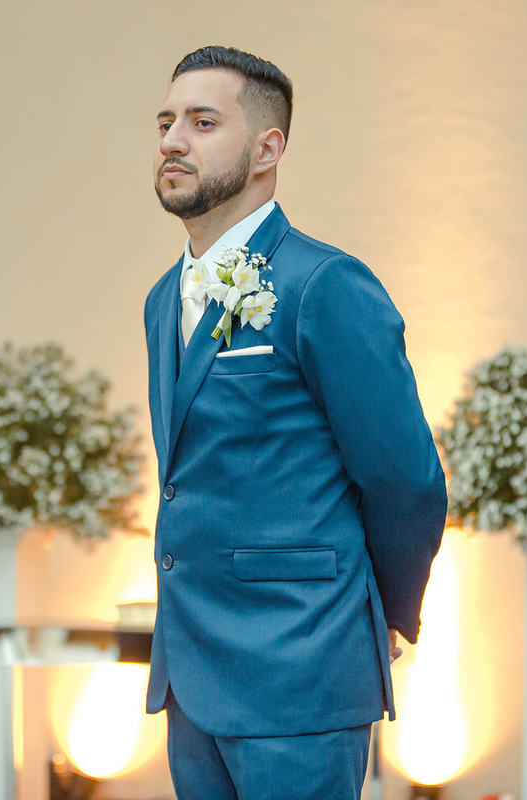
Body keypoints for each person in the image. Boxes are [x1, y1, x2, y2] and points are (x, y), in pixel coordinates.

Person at [143, 46, 449, 798]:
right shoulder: (160, 300)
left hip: (302, 666)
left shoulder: (324, 284)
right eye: (166, 122)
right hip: (191, 673)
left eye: (203, 122)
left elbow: (405, 478)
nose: (173, 140)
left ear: (266, 149)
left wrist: (381, 615)